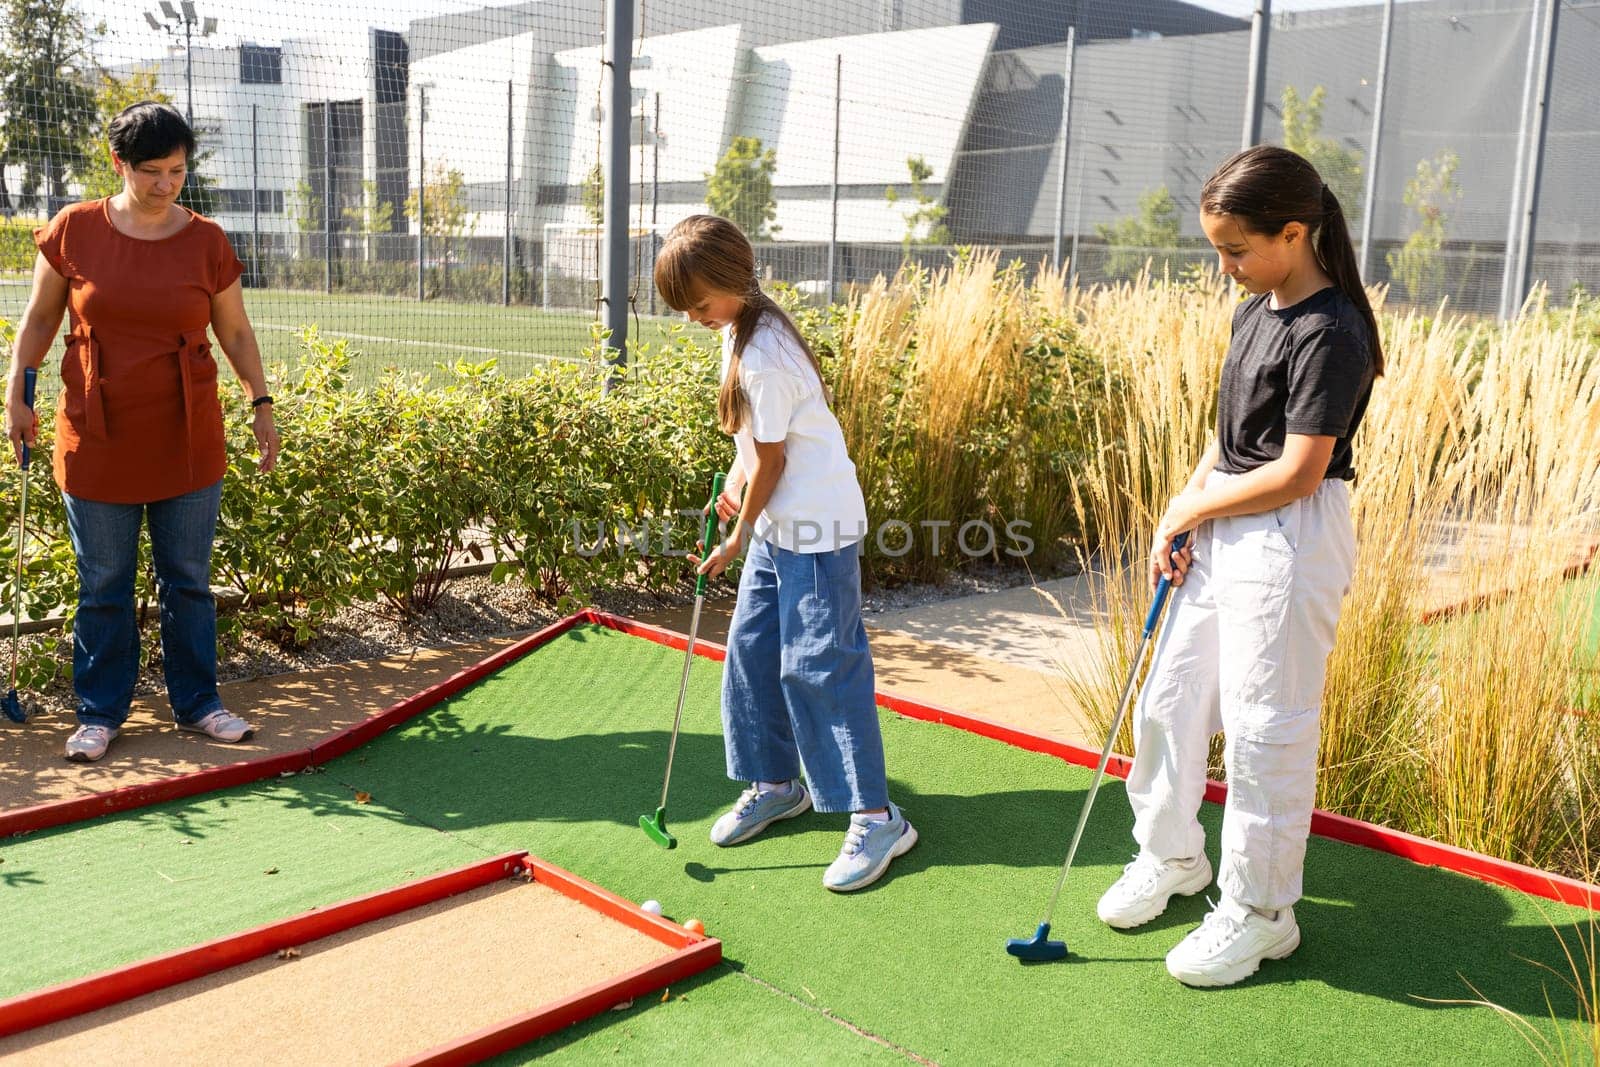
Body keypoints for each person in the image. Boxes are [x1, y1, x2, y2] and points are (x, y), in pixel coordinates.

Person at [1095, 145, 1380, 986]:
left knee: (1266, 726)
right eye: (1217, 249)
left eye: (1237, 250)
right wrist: (1181, 511)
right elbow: (1232, 444)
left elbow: (1297, 469)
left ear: (1294, 232)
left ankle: (1261, 911)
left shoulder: (1332, 332)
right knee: (1171, 695)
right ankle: (1173, 856)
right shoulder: (1257, 305)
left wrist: (1195, 508)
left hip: (1290, 535)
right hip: (1225, 517)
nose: (1225, 267)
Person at [4, 101, 280, 763]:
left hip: (187, 435)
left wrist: (261, 401)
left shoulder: (206, 239)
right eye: (151, 170)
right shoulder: (75, 229)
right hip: (94, 433)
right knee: (103, 582)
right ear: (118, 163)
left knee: (187, 577)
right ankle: (99, 712)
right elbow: (40, 321)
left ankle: (200, 703)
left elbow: (235, 331)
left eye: (177, 169)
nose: (165, 183)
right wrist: (17, 389)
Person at [653, 214, 917, 892]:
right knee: (751, 652)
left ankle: (877, 813)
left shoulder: (767, 353)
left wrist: (742, 528)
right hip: (779, 524)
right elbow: (759, 449)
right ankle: (777, 782)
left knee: (821, 667)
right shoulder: (738, 330)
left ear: (732, 282)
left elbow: (775, 456)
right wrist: (738, 486)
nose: (691, 317)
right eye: (683, 306)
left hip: (817, 529)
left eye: (698, 302)